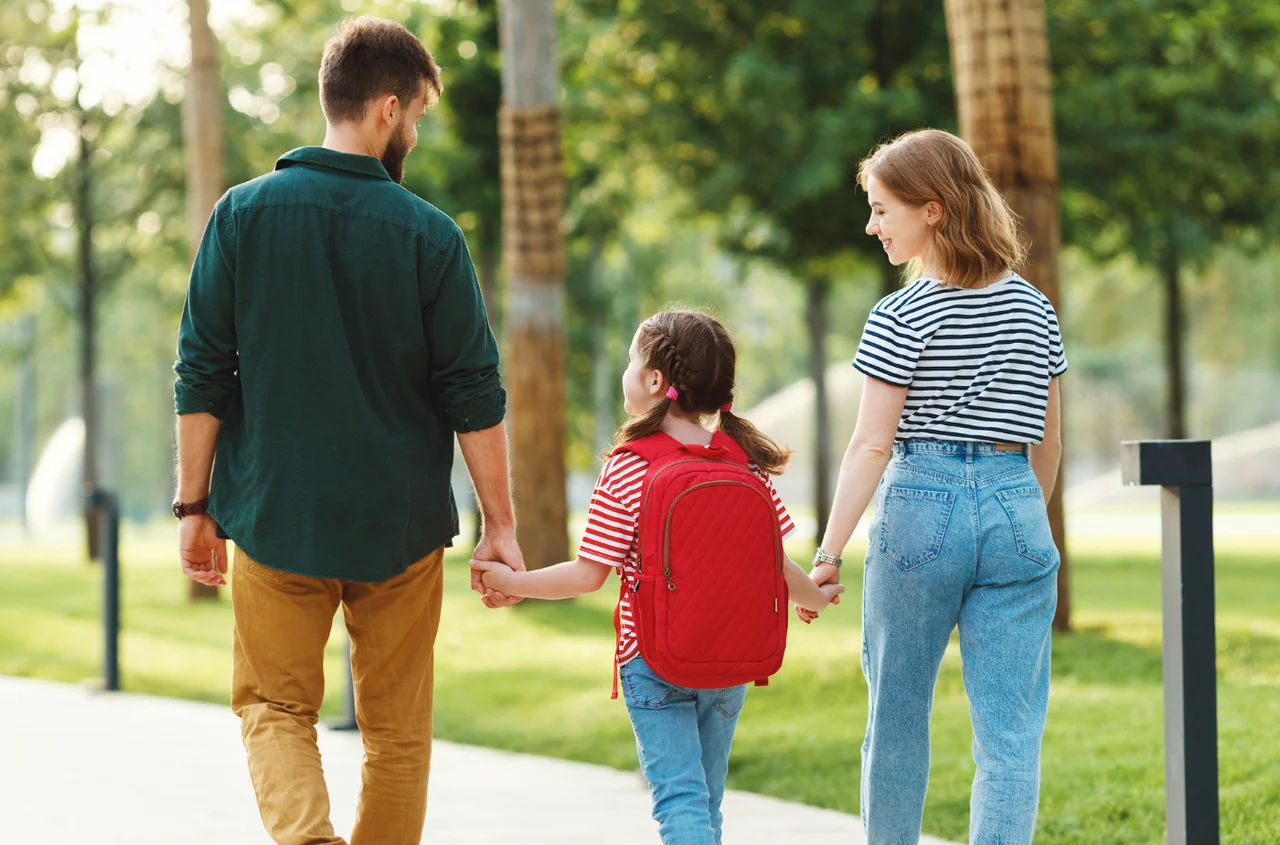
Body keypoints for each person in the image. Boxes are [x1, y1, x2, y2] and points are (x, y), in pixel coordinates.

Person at [172, 17, 522, 845]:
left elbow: (202, 370)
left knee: (273, 707)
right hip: (398, 527)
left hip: (274, 514)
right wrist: (500, 525)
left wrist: (195, 505)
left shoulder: (241, 216)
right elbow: (475, 393)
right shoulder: (430, 235)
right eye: (417, 116)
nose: (416, 132)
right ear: (387, 110)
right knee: (398, 730)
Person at [471, 309, 844, 845]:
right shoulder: (744, 463)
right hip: (730, 662)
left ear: (654, 381)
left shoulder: (630, 464)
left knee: (679, 802)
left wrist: (510, 583)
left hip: (654, 658)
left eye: (630, 360)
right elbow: (773, 562)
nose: (627, 370)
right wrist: (816, 597)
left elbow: (587, 575)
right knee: (706, 803)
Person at [805, 129, 1067, 845]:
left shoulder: (902, 314)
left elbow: (871, 443)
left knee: (895, 720)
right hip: (1018, 500)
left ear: (933, 210)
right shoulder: (1034, 308)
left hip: (922, 502)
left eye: (883, 209)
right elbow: (1048, 443)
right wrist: (1019, 515)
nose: (871, 224)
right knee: (1010, 737)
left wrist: (827, 552)